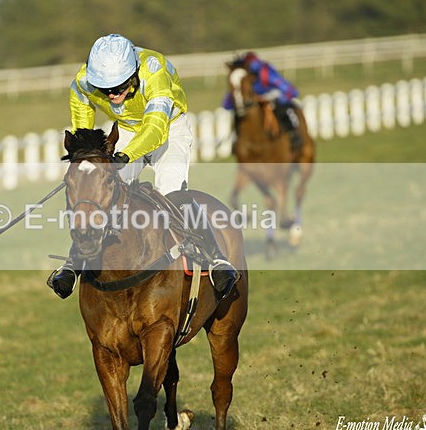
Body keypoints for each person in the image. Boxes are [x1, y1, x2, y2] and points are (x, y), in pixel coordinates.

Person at [47, 33, 239, 300]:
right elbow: (82, 122)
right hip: (127, 129)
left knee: (172, 191)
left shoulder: (154, 71)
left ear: (133, 73)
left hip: (168, 128)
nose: (112, 94)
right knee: (100, 192)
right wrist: (87, 159)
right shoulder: (83, 81)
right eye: (105, 88)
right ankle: (74, 262)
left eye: (119, 86)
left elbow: (155, 129)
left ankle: (215, 258)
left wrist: (125, 156)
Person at [223, 51, 303, 149]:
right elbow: (231, 98)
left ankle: (293, 134)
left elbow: (282, 85)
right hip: (253, 99)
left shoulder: (264, 71)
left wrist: (288, 94)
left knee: (281, 108)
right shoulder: (244, 75)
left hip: (270, 96)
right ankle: (236, 139)